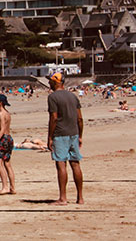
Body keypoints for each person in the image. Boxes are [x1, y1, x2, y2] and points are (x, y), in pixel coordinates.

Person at [46, 73, 85, 205]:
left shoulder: (53, 97)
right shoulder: (73, 96)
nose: (49, 83)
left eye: (51, 81)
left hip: (60, 133)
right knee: (75, 164)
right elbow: (80, 118)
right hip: (73, 133)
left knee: (61, 164)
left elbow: (54, 118)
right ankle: (80, 197)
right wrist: (80, 135)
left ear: (56, 82)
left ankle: (63, 197)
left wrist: (50, 137)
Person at [0, 94, 15, 195]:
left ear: (0, 102)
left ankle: (5, 187)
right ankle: (12, 187)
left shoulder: (1, 114)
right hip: (9, 138)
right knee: (7, 163)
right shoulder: (8, 113)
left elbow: (2, 129)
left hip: (3, 139)